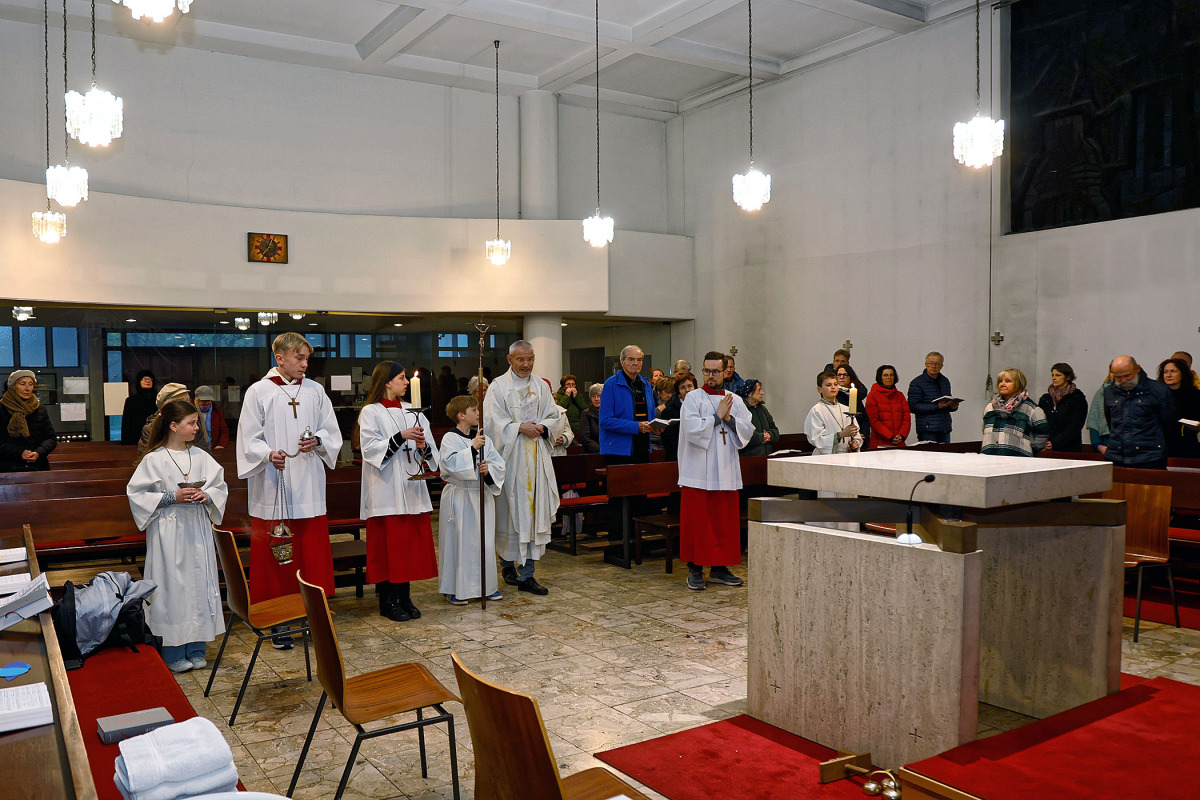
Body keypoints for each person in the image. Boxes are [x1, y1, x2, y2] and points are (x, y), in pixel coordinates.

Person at [237, 332, 342, 648]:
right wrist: (268, 454)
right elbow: (248, 438)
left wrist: (319, 441)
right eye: (300, 358)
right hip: (274, 485)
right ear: (279, 357)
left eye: (307, 358)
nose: (305, 364)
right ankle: (277, 621)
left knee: (310, 556)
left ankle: (311, 618)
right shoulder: (259, 392)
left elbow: (331, 431)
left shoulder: (315, 391)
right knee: (277, 557)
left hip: (309, 485)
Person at [126, 399, 228, 673]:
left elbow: (220, 486)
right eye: (191, 423)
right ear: (173, 426)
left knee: (199, 585)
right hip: (168, 531)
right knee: (172, 588)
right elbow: (137, 494)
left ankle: (196, 647)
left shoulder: (201, 456)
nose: (197, 428)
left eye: (196, 423)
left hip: (196, 528)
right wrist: (173, 496)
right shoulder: (154, 458)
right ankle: (172, 649)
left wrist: (206, 495)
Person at [355, 362, 439, 622]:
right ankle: (387, 601)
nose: (406, 382)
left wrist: (424, 447)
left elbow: (432, 451)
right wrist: (401, 436)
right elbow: (370, 449)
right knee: (388, 548)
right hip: (385, 488)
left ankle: (405, 597)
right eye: (402, 378)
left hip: (411, 488)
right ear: (387, 381)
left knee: (407, 548)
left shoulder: (413, 411)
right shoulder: (370, 411)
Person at [483, 340, 560, 596]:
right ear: (510, 360)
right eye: (521, 359)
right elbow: (492, 423)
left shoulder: (541, 386)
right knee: (509, 515)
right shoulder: (498, 387)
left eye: (530, 359)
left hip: (537, 459)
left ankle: (528, 575)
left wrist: (544, 427)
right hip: (511, 460)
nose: (526, 364)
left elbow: (554, 416)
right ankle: (507, 566)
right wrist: (518, 427)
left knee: (535, 514)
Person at [678, 351, 753, 591]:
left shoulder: (734, 400)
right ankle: (695, 569)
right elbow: (692, 431)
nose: (711, 375)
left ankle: (720, 569)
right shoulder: (693, 398)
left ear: (725, 372)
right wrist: (716, 417)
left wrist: (729, 419)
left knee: (722, 522)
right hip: (698, 471)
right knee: (698, 522)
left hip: (726, 470)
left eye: (716, 371)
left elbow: (747, 429)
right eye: (707, 371)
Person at [438, 395, 506, 605]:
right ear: (461, 415)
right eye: (474, 410)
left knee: (484, 543)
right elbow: (448, 465)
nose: (478, 413)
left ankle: (486, 587)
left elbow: (498, 464)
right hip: (460, 496)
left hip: (480, 495)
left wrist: (488, 470)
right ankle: (455, 589)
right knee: (460, 543)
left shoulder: (484, 438)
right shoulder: (450, 438)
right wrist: (472, 449)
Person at [1101, 355, 1175, 469]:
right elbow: (1111, 422)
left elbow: (1168, 424)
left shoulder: (1158, 390)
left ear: (1137, 369)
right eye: (1118, 377)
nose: (1123, 380)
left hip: (1150, 458)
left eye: (1127, 375)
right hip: (1117, 457)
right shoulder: (1109, 392)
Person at [600, 345, 656, 463]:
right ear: (622, 362)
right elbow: (605, 421)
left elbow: (650, 416)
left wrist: (656, 426)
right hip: (618, 450)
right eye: (631, 359)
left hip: (642, 445)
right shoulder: (611, 384)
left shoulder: (646, 385)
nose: (636, 363)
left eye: (639, 360)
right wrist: (636, 426)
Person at [981, 368, 1049, 457]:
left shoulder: (1031, 409)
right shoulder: (990, 406)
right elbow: (984, 429)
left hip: (1018, 460)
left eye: (1008, 381)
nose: (1002, 384)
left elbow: (1042, 435)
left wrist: (1027, 450)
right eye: (1000, 381)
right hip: (989, 458)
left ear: (1018, 384)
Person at [0, 369, 56, 472]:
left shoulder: (39, 409)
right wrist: (19, 452)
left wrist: (38, 452)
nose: (27, 388)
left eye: (31, 384)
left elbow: (50, 438)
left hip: (38, 466)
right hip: (7, 468)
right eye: (22, 384)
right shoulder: (2, 408)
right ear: (13, 387)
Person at [139, 383, 210, 456]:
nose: (186, 405)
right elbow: (147, 458)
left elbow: (205, 454)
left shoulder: (195, 426)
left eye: (187, 400)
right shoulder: (151, 429)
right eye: (181, 402)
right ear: (166, 406)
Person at [806, 371, 862, 455]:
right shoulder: (816, 410)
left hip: (846, 456)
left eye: (835, 384)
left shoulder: (846, 409)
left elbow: (856, 436)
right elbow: (817, 440)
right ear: (819, 389)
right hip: (825, 457)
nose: (833, 387)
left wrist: (854, 444)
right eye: (828, 385)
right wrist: (841, 434)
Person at [907, 352, 958, 443]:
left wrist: (953, 407)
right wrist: (937, 406)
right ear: (926, 364)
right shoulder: (917, 383)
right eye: (931, 363)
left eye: (937, 364)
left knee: (947, 452)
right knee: (929, 452)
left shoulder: (945, 381)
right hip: (927, 430)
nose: (934, 366)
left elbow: (946, 402)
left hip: (944, 429)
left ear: (941, 366)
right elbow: (913, 406)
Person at [1036, 363, 1087, 453]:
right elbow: (1040, 422)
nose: (1054, 378)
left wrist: (1055, 443)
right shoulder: (1046, 398)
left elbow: (1075, 426)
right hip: (1047, 446)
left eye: (1058, 375)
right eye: (1052, 375)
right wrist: (1043, 442)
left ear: (1068, 377)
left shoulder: (1077, 398)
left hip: (1070, 448)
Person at [1158, 357, 1200, 459]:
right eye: (1165, 372)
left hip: (1187, 443)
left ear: (1182, 373)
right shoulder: (1157, 395)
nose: (1169, 375)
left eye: (1173, 371)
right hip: (1161, 443)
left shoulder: (1195, 395)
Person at [864, 365, 911, 449]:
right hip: (880, 442)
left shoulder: (900, 395)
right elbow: (873, 420)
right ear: (880, 377)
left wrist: (901, 435)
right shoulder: (872, 395)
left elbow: (906, 417)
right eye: (886, 375)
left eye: (891, 375)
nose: (889, 377)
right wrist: (890, 436)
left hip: (899, 442)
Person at [736, 379, 778, 457]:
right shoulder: (741, 410)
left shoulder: (763, 409)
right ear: (749, 394)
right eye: (759, 390)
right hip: (749, 457)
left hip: (766, 454)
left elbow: (774, 429)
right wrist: (761, 437)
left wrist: (770, 435)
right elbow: (742, 433)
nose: (762, 393)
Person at [660, 372, 695, 461]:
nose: (687, 390)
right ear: (678, 392)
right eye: (683, 388)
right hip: (677, 456)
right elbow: (668, 440)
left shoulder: (703, 407)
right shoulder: (670, 410)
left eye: (690, 386)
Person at [835, 365, 871, 448]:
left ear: (850, 377)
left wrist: (862, 434)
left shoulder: (855, 395)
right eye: (839, 375)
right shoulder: (835, 395)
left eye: (845, 375)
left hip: (858, 438)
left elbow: (864, 418)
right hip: (843, 438)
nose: (841, 377)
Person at [121, 370, 157, 446]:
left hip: (157, 438)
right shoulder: (131, 401)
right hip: (136, 439)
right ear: (139, 382)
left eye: (150, 379)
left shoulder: (159, 399)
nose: (147, 381)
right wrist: (126, 443)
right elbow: (126, 423)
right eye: (144, 379)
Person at [195, 386, 231, 450]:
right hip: (196, 447)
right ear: (196, 399)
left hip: (213, 447)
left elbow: (224, 430)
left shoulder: (216, 410)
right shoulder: (191, 411)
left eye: (208, 400)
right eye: (203, 401)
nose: (206, 403)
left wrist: (221, 444)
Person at [1085, 372, 1112, 453]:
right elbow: (1094, 420)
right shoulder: (1102, 392)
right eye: (1113, 372)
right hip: (1105, 442)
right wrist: (1098, 445)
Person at [578, 384, 603, 454]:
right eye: (593, 396)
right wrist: (601, 450)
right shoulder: (586, 414)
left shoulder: (611, 413)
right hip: (592, 453)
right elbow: (585, 438)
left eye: (599, 396)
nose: (596, 399)